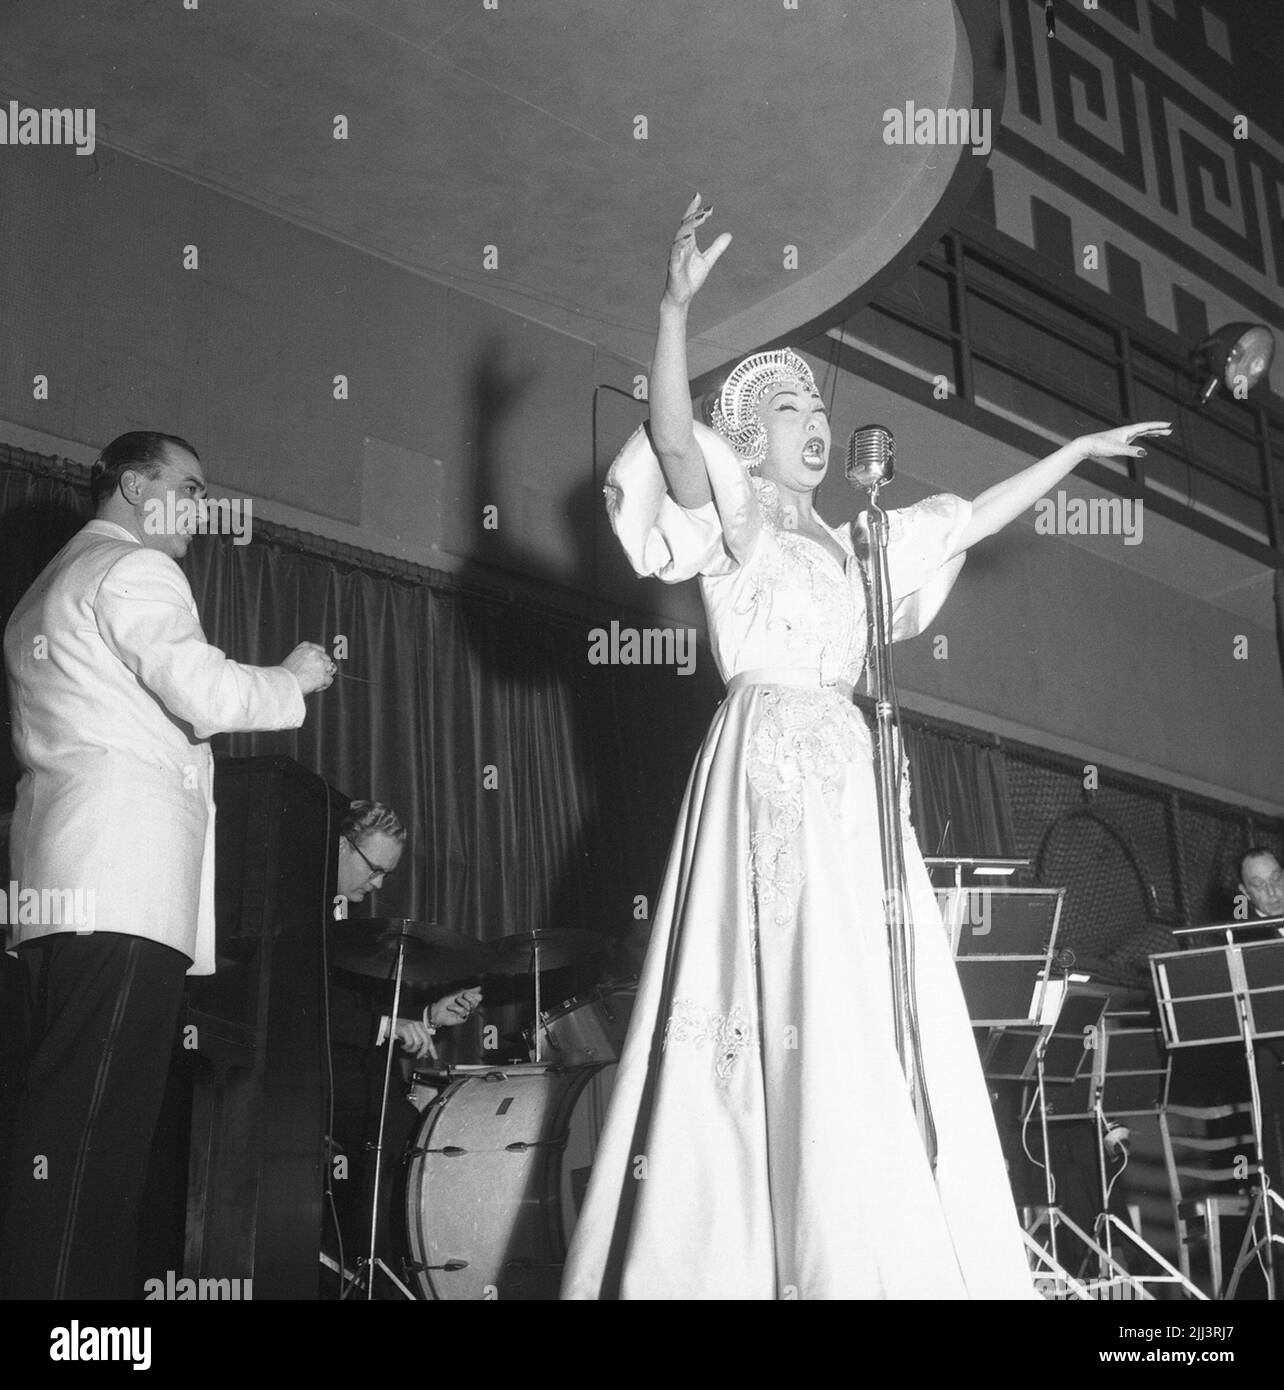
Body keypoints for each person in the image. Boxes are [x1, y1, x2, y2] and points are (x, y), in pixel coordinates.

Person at [560, 196, 1171, 1300]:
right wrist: (671, 313)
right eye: (790, 405)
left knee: (864, 994)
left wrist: (1075, 449)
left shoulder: (858, 545)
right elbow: (666, 437)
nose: (813, 421)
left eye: (816, 407)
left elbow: (974, 518)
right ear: (752, 436)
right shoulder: (741, 515)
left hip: (852, 770)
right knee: (776, 987)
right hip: (769, 757)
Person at [0, 430, 334, 1300]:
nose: (199, 508)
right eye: (187, 487)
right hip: (121, 889)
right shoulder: (135, 569)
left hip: (53, 892)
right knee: (94, 1149)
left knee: (52, 1133)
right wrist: (293, 677)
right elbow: (208, 693)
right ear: (132, 484)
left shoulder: (43, 591)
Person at [326, 799, 481, 1289]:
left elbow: (367, 1021)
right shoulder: (302, 913)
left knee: (413, 1130)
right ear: (341, 846)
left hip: (356, 1074)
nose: (377, 885)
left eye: (386, 875)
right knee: (405, 1135)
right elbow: (312, 1012)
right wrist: (390, 1026)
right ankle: (386, 1276)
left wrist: (427, 1020)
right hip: (310, 1079)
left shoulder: (342, 917)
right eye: (373, 869)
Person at [1238, 847, 1284, 921]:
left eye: (1276, 878)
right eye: (1258, 884)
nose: (1271, 892)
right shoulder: (1238, 931)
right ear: (1245, 892)